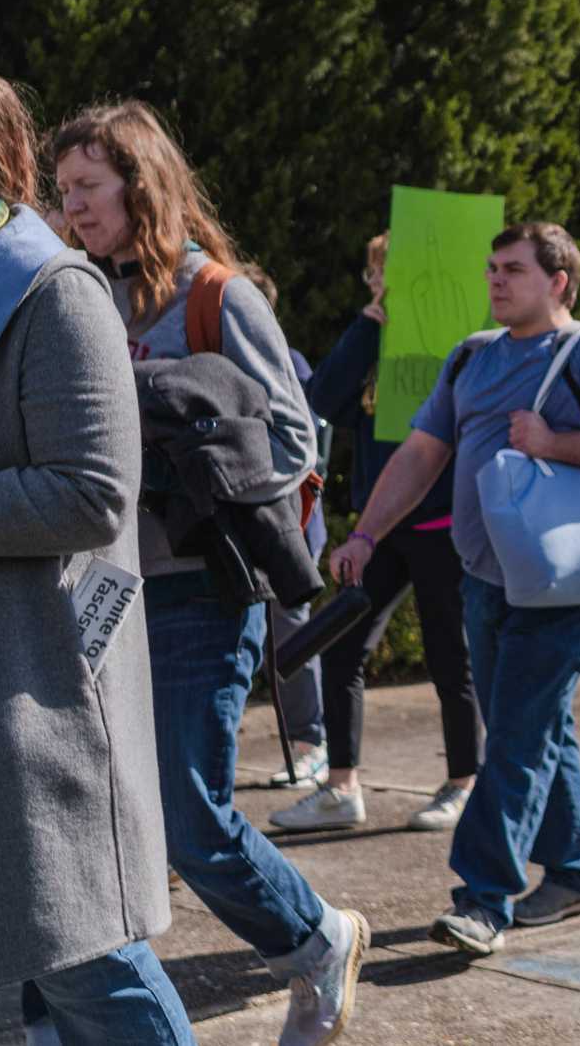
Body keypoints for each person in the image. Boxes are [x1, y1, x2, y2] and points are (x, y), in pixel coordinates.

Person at [52, 101, 366, 1044]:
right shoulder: (75, 295)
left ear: (141, 186)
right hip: (97, 595)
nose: (72, 208)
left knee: (191, 818)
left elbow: (293, 441)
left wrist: (178, 427)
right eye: (63, 191)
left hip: (197, 590)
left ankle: (316, 939)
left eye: (88, 188)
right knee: (96, 813)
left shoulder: (217, 296)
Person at [0, 63, 193, 1042]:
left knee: (83, 958)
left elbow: (90, 495)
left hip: (27, 687)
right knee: (40, 971)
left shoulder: (50, 289)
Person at [328, 222, 580, 957]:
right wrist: (367, 533)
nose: (497, 280)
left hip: (568, 585)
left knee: (520, 734)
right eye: (492, 267)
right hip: (486, 577)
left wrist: (554, 443)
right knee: (527, 726)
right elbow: (422, 453)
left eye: (515, 269)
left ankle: (482, 899)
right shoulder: (470, 354)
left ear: (559, 281)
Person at [271, 234, 481, 835]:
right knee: (343, 649)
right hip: (379, 528)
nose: (379, 284)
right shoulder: (372, 339)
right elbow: (320, 402)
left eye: (390, 275)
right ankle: (342, 788)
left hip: (443, 526)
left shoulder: (460, 343)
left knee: (451, 658)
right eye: (373, 276)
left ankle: (462, 784)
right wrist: (368, 326)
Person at [240, 262, 333, 792]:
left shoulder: (286, 362)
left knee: (289, 630)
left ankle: (308, 743)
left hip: (289, 522)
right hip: (255, 522)